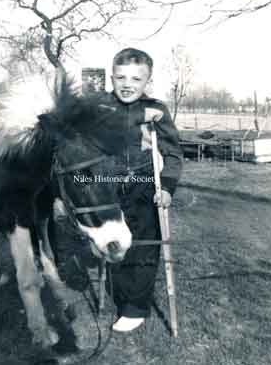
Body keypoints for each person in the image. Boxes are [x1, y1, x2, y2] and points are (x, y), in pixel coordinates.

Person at [94, 47, 183, 332]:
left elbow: (173, 153)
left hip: (144, 183)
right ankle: (121, 295)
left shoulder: (158, 109)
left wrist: (167, 187)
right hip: (107, 184)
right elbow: (105, 123)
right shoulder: (101, 106)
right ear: (111, 77)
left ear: (147, 82)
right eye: (121, 77)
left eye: (136, 79)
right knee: (114, 242)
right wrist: (140, 115)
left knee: (143, 244)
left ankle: (135, 308)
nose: (127, 84)